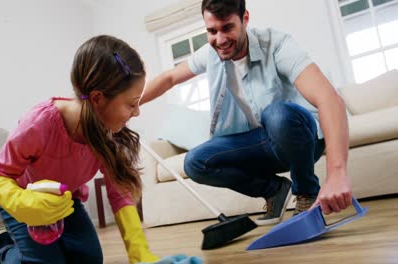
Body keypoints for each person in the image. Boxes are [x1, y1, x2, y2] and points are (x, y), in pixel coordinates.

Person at [0, 35, 201, 264]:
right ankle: (3, 252)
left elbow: (119, 192)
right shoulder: (39, 123)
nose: (136, 113)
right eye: (131, 104)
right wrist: (21, 203)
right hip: (25, 203)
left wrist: (139, 253)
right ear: (98, 98)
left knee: (90, 259)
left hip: (66, 202)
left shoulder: (106, 131)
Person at [140, 0, 352, 226]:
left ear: (245, 19)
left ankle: (307, 193)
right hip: (261, 144)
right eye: (212, 31)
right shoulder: (210, 54)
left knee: (277, 115)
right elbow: (169, 78)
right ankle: (275, 190)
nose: (219, 40)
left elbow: (329, 98)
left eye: (227, 28)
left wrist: (337, 172)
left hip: (299, 138)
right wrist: (130, 103)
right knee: (195, 162)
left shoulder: (276, 44)